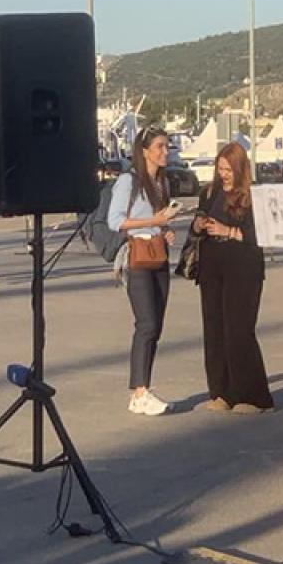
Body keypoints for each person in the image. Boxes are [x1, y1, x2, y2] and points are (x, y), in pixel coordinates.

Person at [192, 142, 273, 413]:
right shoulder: (211, 191)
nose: (223, 174)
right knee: (214, 329)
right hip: (213, 265)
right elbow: (199, 217)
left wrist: (228, 231)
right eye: (220, 169)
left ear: (239, 169)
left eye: (228, 169)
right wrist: (200, 224)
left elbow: (260, 235)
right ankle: (221, 392)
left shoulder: (253, 196)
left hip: (243, 266)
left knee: (239, 330)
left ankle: (253, 396)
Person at [107, 126, 182, 416]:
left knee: (156, 326)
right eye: (160, 146)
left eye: (167, 146)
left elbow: (158, 220)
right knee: (146, 323)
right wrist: (153, 220)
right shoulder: (129, 181)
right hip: (137, 256)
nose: (165, 151)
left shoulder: (161, 182)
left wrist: (164, 229)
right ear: (145, 150)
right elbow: (116, 221)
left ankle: (142, 390)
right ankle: (139, 391)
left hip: (158, 254)